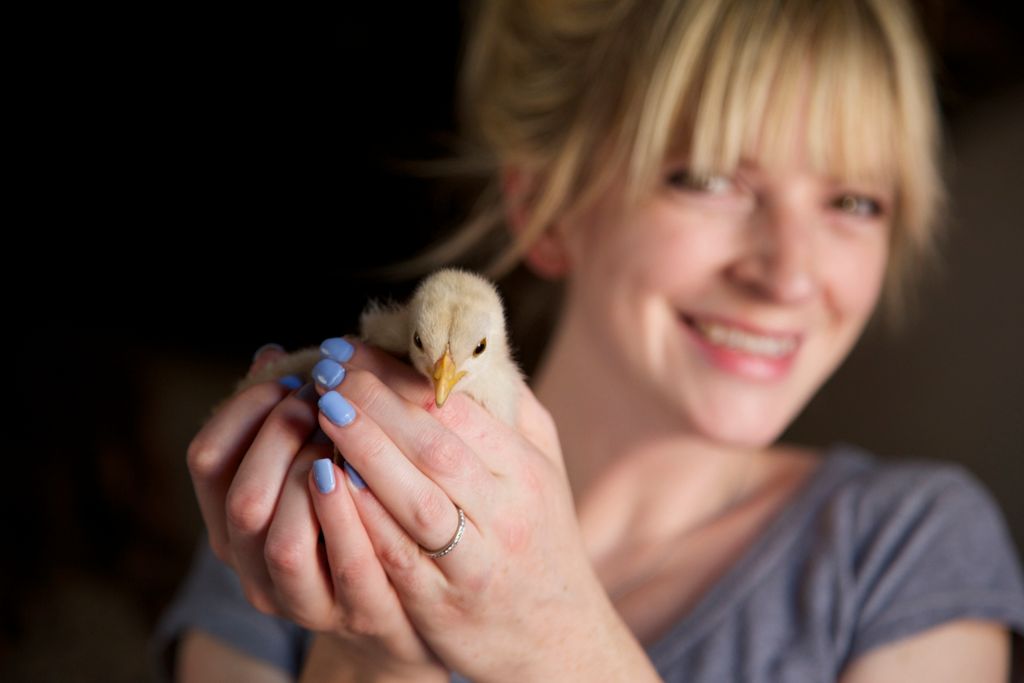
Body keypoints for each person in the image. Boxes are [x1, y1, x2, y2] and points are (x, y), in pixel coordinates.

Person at [154, 0, 1024, 680]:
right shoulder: (299, 509)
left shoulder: (907, 554)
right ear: (546, 206)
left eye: (854, 202)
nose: (789, 274)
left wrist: (554, 644)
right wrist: (378, 655)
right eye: (709, 179)